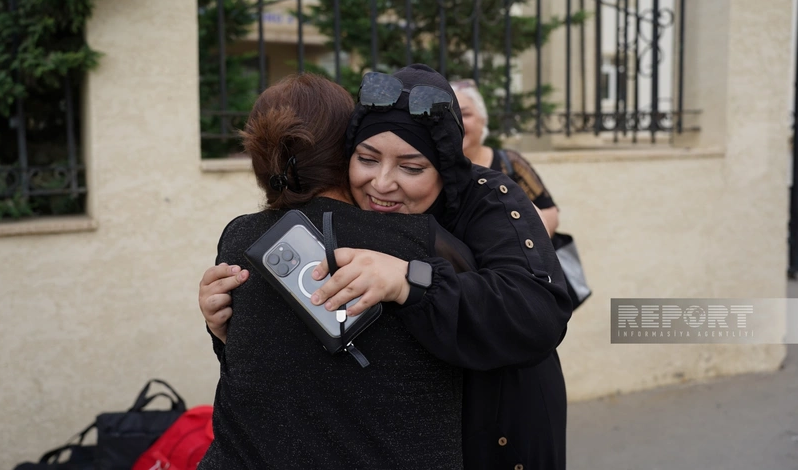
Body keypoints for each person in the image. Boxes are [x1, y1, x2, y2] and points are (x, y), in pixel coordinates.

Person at [201, 65, 571, 469]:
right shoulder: (346, 225)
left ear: (445, 167)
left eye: (412, 167)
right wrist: (230, 325)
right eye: (366, 158)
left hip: (503, 430)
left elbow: (539, 313)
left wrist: (410, 280)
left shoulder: (490, 200)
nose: (381, 183)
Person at [450, 78, 559, 236]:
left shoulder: (509, 162)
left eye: (465, 114)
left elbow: (548, 211)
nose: (458, 122)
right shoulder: (433, 167)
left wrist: (526, 250)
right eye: (451, 115)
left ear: (483, 120)